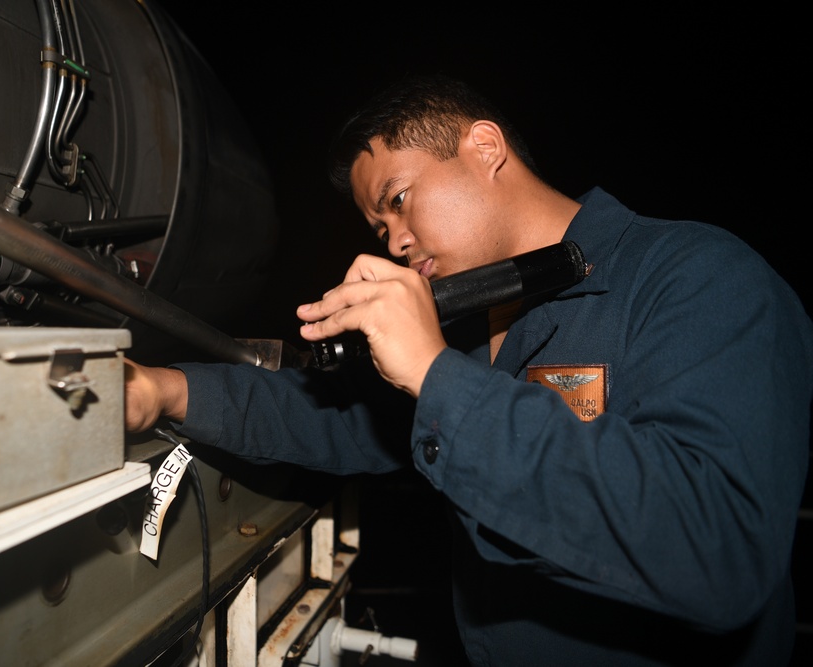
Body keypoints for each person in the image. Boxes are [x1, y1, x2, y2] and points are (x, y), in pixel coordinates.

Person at [124, 74, 813, 666]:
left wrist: (434, 372)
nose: (393, 239)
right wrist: (164, 389)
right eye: (378, 228)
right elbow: (325, 411)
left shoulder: (697, 277)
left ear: (484, 148)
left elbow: (720, 545)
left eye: (398, 199)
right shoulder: (470, 327)